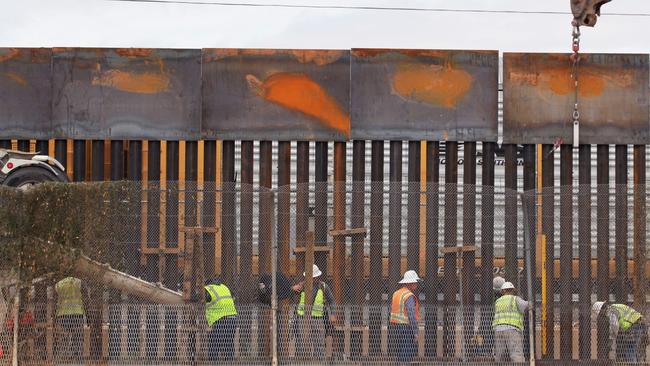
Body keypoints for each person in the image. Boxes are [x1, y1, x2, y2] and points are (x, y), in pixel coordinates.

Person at [292, 264, 335, 359]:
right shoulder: (301, 286)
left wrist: (333, 314)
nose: (313, 279)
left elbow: (331, 301)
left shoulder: (323, 287)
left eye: (314, 277)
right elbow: (287, 293)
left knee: (319, 345)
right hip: (302, 319)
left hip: (318, 319)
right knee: (301, 346)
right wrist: (292, 288)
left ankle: (319, 362)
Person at [389, 270, 421, 364]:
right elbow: (411, 314)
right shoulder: (409, 296)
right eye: (415, 282)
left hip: (397, 325)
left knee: (400, 348)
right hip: (406, 326)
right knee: (407, 350)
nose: (416, 284)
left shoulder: (397, 293)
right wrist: (415, 332)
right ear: (409, 283)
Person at [492, 281, 528, 363]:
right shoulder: (515, 299)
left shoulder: (498, 301)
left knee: (500, 354)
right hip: (512, 329)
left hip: (498, 330)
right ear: (513, 290)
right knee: (516, 353)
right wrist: (530, 304)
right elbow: (525, 306)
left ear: (502, 291)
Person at [204, 277, 237, 361]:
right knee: (228, 343)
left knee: (214, 342)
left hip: (221, 319)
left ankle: (213, 362)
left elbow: (200, 299)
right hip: (233, 317)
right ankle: (229, 361)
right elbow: (233, 297)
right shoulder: (224, 287)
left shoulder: (208, 289)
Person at [55, 276, 85, 359]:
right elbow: (84, 297)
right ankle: (78, 354)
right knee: (78, 335)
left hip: (63, 313)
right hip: (77, 312)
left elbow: (57, 300)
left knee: (64, 335)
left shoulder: (59, 284)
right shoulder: (78, 282)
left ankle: (64, 354)